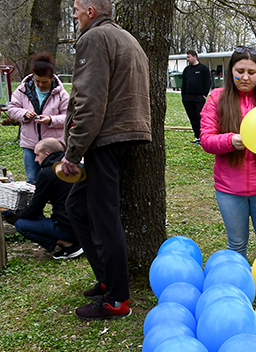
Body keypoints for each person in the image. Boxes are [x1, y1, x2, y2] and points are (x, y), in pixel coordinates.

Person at [61, 0, 152, 320]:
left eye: (76, 8)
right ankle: (106, 278)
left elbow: (89, 100)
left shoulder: (94, 38)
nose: (73, 15)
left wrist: (73, 152)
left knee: (105, 218)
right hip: (127, 133)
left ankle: (117, 299)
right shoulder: (126, 38)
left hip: (106, 138)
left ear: (91, 11)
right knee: (76, 207)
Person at [200, 46, 256, 258]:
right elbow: (206, 139)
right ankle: (239, 288)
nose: (245, 77)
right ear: (231, 71)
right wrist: (230, 140)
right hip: (229, 189)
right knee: (237, 246)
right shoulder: (217, 98)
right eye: (240, 71)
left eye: (251, 72)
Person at [2, 138, 82, 259]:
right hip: (91, 227)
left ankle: (69, 245)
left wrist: (14, 212)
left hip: (70, 228)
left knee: (21, 224)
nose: (35, 159)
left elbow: (34, 210)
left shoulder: (47, 173)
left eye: (37, 155)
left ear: (47, 154)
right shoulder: (80, 167)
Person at [6, 52, 69, 184]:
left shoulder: (61, 94)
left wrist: (51, 120)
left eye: (44, 82)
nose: (40, 84)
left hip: (53, 146)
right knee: (32, 181)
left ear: (52, 78)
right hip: (30, 145)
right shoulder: (23, 90)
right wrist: (24, 114)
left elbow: (68, 117)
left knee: (56, 182)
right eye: (37, 81)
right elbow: (11, 108)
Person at [181, 50, 213, 143]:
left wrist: (204, 95)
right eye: (187, 57)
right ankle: (197, 136)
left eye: (189, 57)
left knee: (200, 117)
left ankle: (202, 137)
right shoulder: (187, 70)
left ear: (195, 57)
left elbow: (207, 82)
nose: (187, 59)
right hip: (188, 98)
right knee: (192, 118)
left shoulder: (203, 68)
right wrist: (184, 97)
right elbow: (184, 84)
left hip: (199, 98)